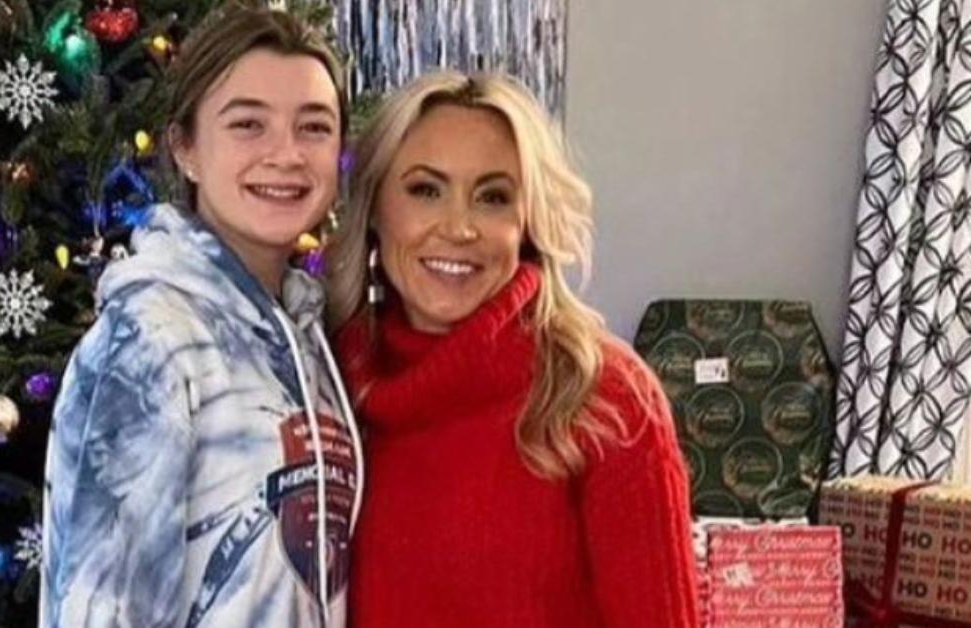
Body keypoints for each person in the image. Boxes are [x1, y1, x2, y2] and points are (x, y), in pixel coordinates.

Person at [328, 71, 698, 627]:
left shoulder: (605, 395)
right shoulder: (325, 383)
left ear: (526, 223)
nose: (458, 227)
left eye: (493, 198)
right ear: (376, 208)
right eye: (426, 189)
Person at [40, 4, 364, 627]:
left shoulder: (310, 339)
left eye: (314, 127)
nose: (286, 155)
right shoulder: (151, 340)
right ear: (185, 148)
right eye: (248, 124)